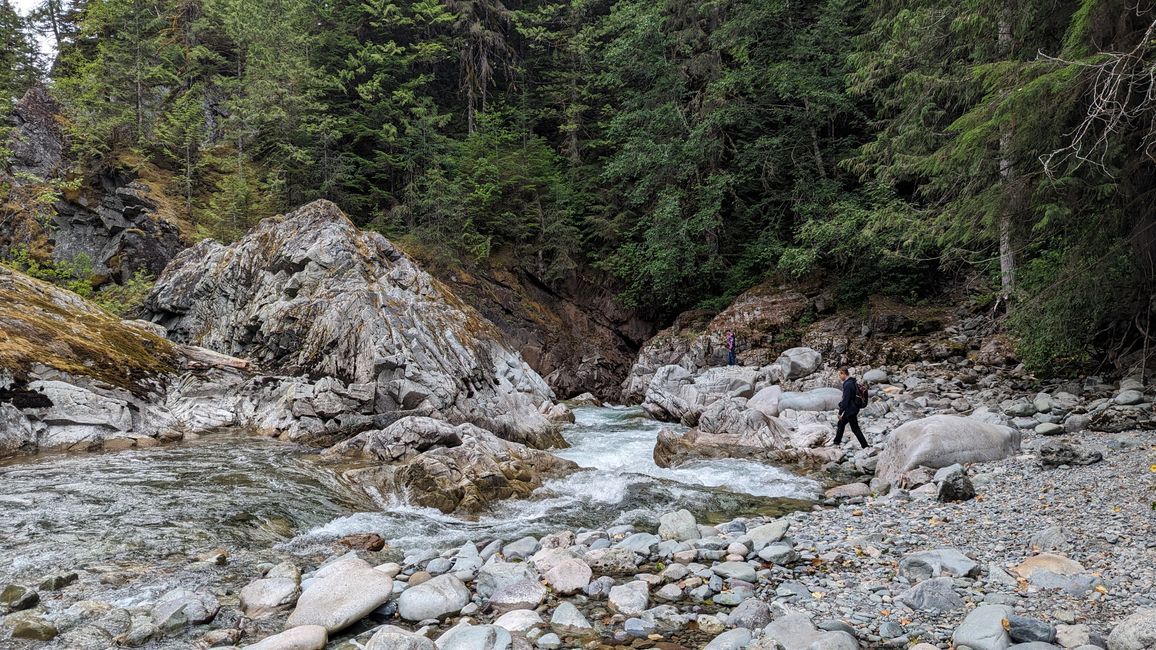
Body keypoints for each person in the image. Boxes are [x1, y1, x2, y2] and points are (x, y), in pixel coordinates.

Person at [834, 366, 869, 448]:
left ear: (843, 373)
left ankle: (865, 446)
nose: (839, 377)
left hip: (850, 410)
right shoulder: (852, 382)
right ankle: (836, 441)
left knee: (855, 428)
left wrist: (840, 412)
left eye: (840, 375)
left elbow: (846, 400)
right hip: (854, 408)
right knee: (841, 423)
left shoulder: (847, 384)